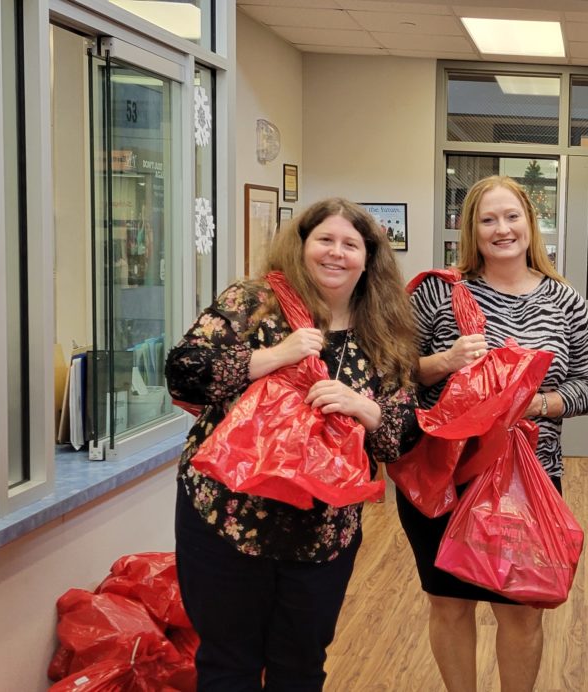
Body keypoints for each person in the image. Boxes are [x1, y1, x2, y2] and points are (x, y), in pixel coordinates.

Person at [165, 198, 420, 690]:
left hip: (321, 533)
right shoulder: (253, 301)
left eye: (351, 244)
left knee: (300, 667)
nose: (336, 253)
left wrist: (361, 407)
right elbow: (184, 373)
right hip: (225, 517)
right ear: (301, 245)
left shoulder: (384, 325)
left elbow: (400, 437)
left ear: (369, 257)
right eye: (325, 239)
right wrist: (272, 356)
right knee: (227, 665)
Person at [403, 175, 588, 692]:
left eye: (512, 216)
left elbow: (587, 387)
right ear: (471, 229)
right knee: (449, 603)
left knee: (522, 609)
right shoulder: (437, 294)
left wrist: (532, 402)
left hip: (526, 480)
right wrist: (445, 361)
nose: (502, 229)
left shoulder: (566, 301)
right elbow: (395, 372)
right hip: (446, 474)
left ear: (531, 225)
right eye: (488, 219)